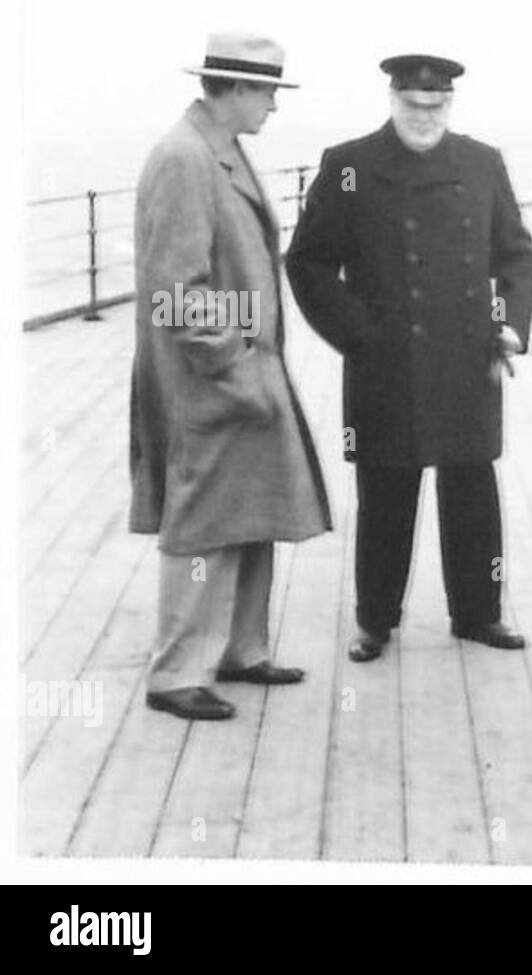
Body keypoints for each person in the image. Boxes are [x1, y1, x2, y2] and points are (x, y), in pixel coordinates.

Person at [287, 54, 532, 657]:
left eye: (437, 105)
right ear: (393, 99)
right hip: (383, 361)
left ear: (449, 103)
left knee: (473, 490)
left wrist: (508, 325)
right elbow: (308, 261)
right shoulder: (349, 167)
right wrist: (357, 335)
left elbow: (516, 256)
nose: (425, 115)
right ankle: (375, 620)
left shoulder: (482, 163)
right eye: (413, 105)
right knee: (385, 493)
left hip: (467, 358)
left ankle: (480, 614)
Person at [129, 33, 332, 721]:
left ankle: (241, 650)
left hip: (243, 369)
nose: (273, 106)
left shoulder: (215, 150)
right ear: (238, 90)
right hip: (212, 377)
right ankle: (176, 672)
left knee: (253, 511)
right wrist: (230, 364)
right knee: (203, 524)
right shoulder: (185, 159)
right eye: (269, 92)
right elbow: (174, 290)